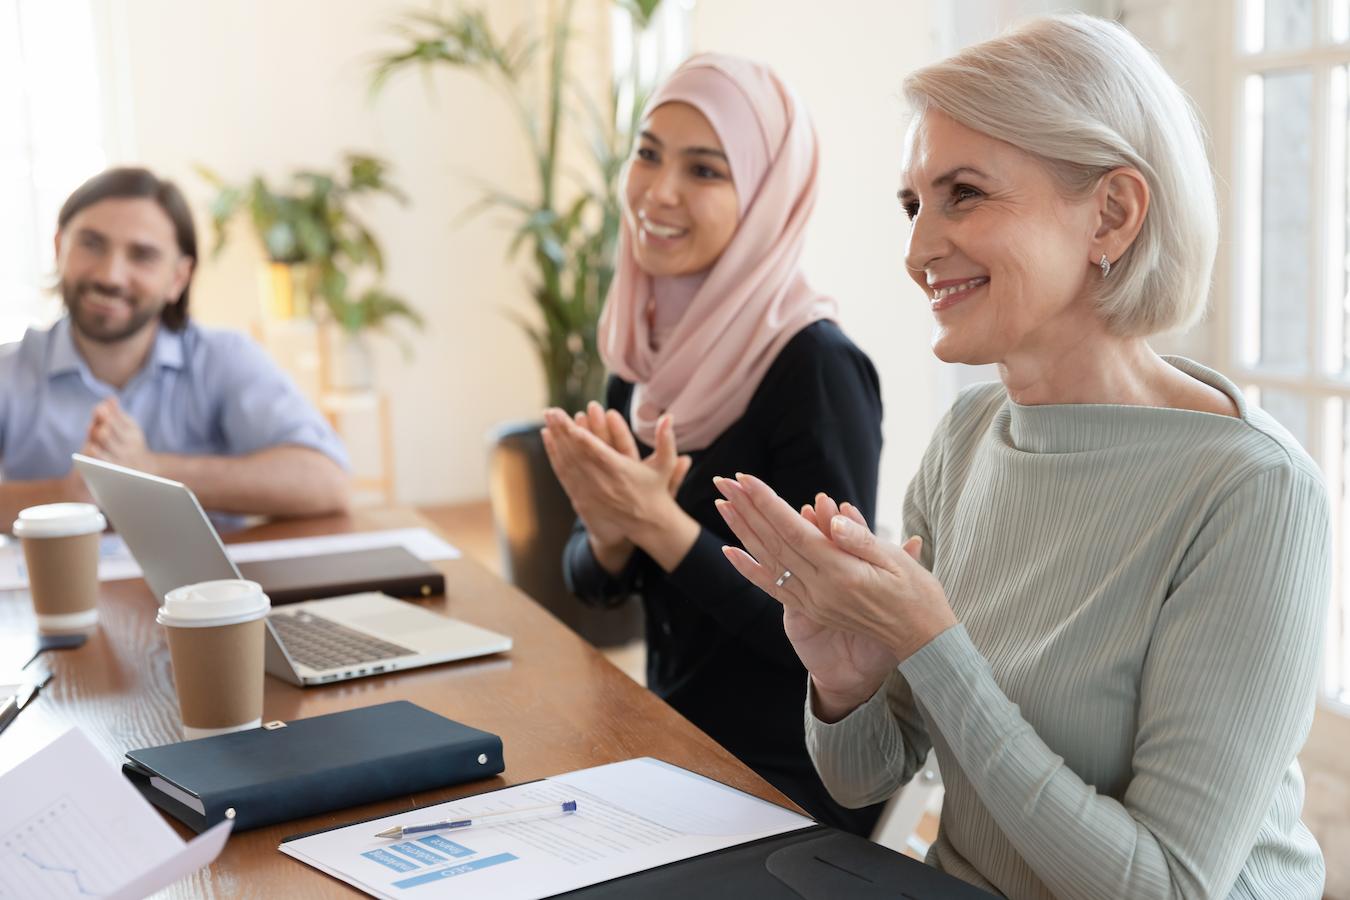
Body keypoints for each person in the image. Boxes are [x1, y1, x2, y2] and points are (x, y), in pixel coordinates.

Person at [713, 14, 1329, 899]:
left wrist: (932, 643)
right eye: (913, 203)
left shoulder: (1251, 492)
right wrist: (845, 681)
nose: (919, 249)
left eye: (964, 193)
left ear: (1112, 213)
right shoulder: (969, 438)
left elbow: (1165, 887)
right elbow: (864, 778)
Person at [540, 54, 886, 835]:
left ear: (767, 198)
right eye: (648, 153)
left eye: (705, 170)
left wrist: (659, 527)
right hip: (667, 746)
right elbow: (595, 585)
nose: (658, 192)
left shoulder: (817, 369)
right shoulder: (649, 350)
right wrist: (607, 532)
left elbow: (825, 638)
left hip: (784, 779)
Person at [0, 167, 350, 530]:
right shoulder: (9, 371)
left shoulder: (224, 358)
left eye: (142, 255)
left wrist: (152, 470)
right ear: (59, 249)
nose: (110, 275)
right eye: (91, 244)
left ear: (178, 278)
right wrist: (66, 496)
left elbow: (327, 481)